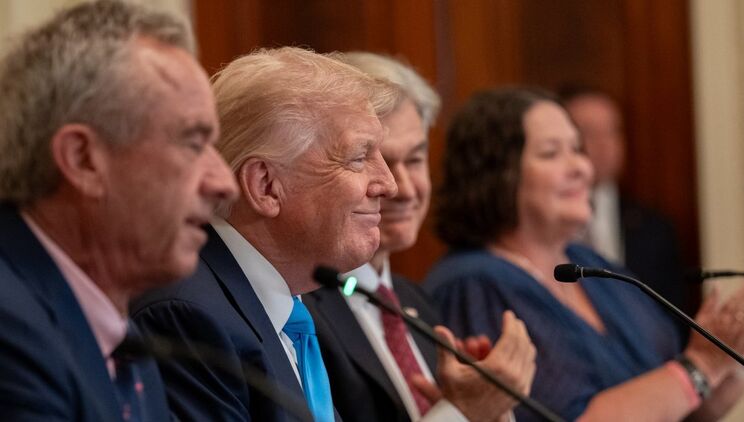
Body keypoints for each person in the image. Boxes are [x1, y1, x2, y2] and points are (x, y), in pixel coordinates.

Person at [132, 47, 536, 422]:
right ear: (266, 186)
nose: (389, 184)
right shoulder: (188, 317)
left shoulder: (285, 307)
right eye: (359, 158)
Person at [424, 87, 744, 421]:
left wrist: (733, 354)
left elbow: (686, 408)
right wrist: (702, 364)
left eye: (577, 149)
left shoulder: (589, 264)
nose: (581, 166)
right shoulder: (473, 286)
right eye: (551, 153)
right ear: (496, 175)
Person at [0, 0, 238, 420]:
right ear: (83, 160)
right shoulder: (11, 331)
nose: (224, 184)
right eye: (192, 143)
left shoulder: (117, 328)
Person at [304, 52, 536, 422]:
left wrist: (488, 411)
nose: (403, 188)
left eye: (414, 160)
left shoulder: (417, 303)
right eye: (369, 160)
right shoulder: (301, 311)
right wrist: (461, 412)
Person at [560, 86, 693, 315]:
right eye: (588, 132)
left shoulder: (655, 228)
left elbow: (673, 316)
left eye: (612, 131)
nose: (603, 144)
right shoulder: (541, 222)